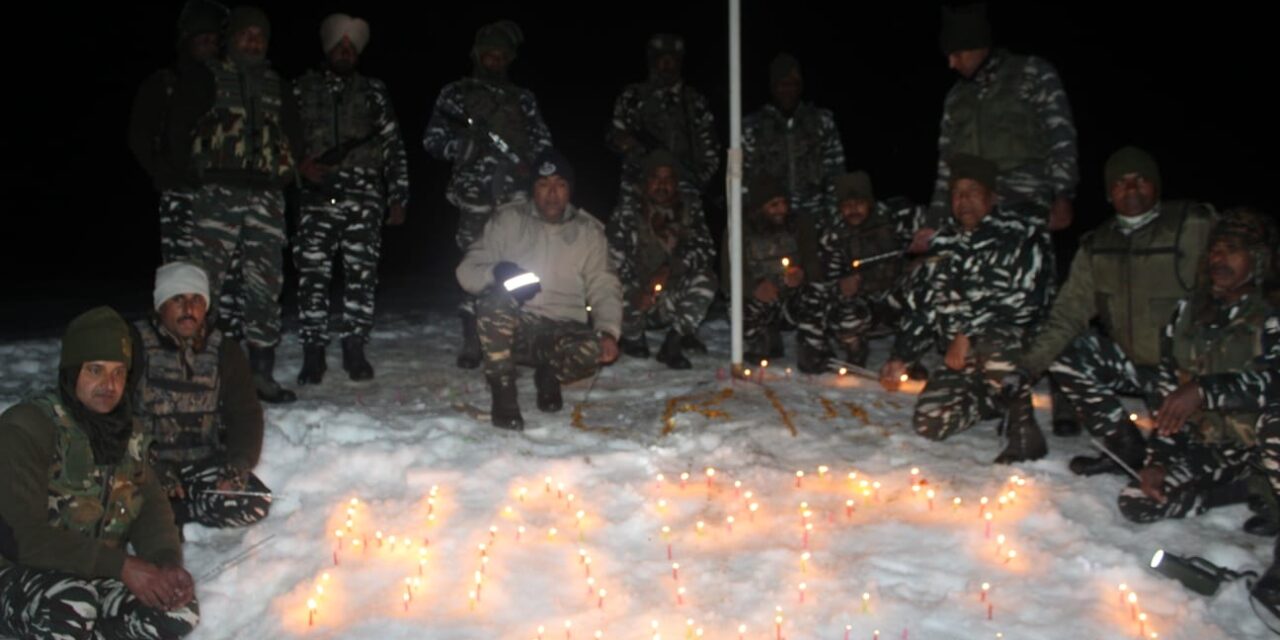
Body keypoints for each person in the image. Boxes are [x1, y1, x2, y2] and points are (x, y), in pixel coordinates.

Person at [0, 307, 199, 639]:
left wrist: (165, 563)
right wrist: (121, 566)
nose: (110, 384)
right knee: (73, 605)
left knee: (176, 610)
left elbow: (150, 508)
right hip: (18, 574)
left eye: (119, 372)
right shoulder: (28, 427)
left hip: (90, 575)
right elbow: (20, 536)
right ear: (72, 371)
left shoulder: (125, 432)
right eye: (95, 370)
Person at [880, 154, 1050, 463]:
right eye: (957, 193)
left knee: (995, 344)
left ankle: (1025, 432)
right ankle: (994, 399)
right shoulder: (944, 243)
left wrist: (967, 333)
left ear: (991, 196)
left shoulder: (1021, 235)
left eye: (972, 191)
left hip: (1013, 349)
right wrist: (901, 356)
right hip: (961, 358)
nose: (963, 200)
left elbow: (1026, 302)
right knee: (930, 422)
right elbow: (925, 306)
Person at [457, 150, 622, 430]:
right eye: (544, 184)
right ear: (533, 189)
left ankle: (550, 375)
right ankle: (503, 393)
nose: (552, 193)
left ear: (570, 189)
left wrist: (608, 330)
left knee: (593, 349)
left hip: (564, 327)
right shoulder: (508, 220)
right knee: (492, 302)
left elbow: (604, 284)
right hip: (519, 325)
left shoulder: (589, 231)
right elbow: (466, 272)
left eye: (560, 184)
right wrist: (496, 271)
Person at [424, 19, 554, 370]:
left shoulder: (522, 99)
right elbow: (432, 140)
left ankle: (514, 333)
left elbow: (543, 142)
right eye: (489, 55)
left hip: (515, 197)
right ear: (478, 56)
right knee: (474, 264)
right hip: (474, 197)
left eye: (501, 55)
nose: (495, 61)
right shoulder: (456, 94)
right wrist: (464, 147)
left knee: (518, 264)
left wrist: (530, 166)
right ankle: (472, 337)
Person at [293, 13, 410, 384]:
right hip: (317, 196)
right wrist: (298, 168)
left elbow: (392, 144)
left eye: (351, 47)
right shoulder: (300, 89)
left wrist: (398, 195)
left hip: (364, 196)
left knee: (361, 276)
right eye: (339, 45)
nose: (345, 51)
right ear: (328, 49)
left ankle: (354, 347)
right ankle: (313, 351)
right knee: (312, 276)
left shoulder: (374, 91)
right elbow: (280, 140)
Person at [132, 262, 272, 531]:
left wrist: (237, 465)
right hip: (148, 467)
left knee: (254, 501)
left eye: (196, 299)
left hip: (202, 463)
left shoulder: (224, 350)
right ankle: (162, 514)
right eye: (178, 299)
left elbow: (245, 413)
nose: (189, 309)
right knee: (119, 506)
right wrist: (149, 465)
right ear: (161, 305)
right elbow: (115, 417)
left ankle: (178, 513)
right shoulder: (133, 345)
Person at [609, 150, 716, 368]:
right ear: (646, 182)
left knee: (706, 279)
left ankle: (675, 340)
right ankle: (632, 337)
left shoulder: (688, 210)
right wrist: (635, 292)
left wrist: (671, 268)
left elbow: (706, 251)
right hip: (635, 299)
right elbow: (611, 263)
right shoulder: (627, 214)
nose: (662, 185)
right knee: (610, 289)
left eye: (668, 179)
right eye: (656, 178)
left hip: (668, 299)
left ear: (676, 183)